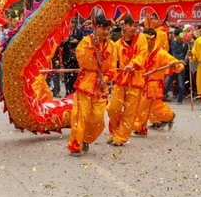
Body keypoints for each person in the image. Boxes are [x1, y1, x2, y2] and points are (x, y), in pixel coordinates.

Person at [67, 15, 116, 157]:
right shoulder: (86, 42)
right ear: (96, 27)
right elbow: (82, 60)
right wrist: (92, 49)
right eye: (103, 28)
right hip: (86, 84)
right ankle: (75, 145)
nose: (106, 32)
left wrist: (105, 79)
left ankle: (86, 139)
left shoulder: (111, 46)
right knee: (80, 116)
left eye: (108, 28)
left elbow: (112, 67)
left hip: (101, 87)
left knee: (98, 119)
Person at [106, 14, 148, 146]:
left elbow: (142, 53)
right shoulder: (117, 44)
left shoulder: (141, 38)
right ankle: (114, 132)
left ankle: (121, 137)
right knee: (113, 108)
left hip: (136, 80)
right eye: (130, 25)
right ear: (124, 25)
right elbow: (112, 62)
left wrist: (133, 64)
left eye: (135, 25)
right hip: (121, 79)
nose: (133, 28)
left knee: (130, 111)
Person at [133, 28, 182, 136]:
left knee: (143, 106)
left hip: (154, 83)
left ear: (153, 39)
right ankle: (167, 116)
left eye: (147, 39)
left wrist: (175, 65)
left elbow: (176, 63)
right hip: (143, 82)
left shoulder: (161, 53)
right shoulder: (142, 51)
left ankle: (140, 128)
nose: (145, 41)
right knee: (152, 105)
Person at [164, 29, 188, 104]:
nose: (178, 37)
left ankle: (180, 99)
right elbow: (169, 53)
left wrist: (186, 61)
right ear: (175, 36)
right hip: (173, 64)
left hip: (181, 64)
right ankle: (163, 95)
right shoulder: (172, 43)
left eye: (179, 35)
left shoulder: (186, 44)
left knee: (181, 82)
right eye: (176, 36)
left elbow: (188, 54)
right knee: (168, 81)